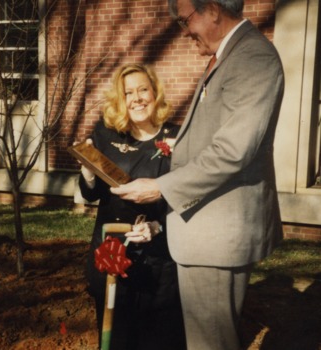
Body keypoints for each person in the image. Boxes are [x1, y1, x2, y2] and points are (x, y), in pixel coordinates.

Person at [111, 1, 285, 349]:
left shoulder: (253, 58)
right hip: (204, 233)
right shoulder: (230, 55)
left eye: (185, 20)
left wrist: (160, 187)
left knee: (211, 344)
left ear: (214, 11)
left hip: (217, 237)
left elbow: (233, 151)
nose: (184, 30)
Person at [78, 63, 186, 350]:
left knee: (158, 339)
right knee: (116, 336)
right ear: (120, 99)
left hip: (160, 258)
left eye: (143, 90)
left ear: (155, 93)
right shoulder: (108, 134)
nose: (136, 98)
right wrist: (88, 174)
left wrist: (158, 226)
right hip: (112, 251)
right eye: (128, 93)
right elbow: (92, 194)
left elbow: (189, 196)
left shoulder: (179, 137)